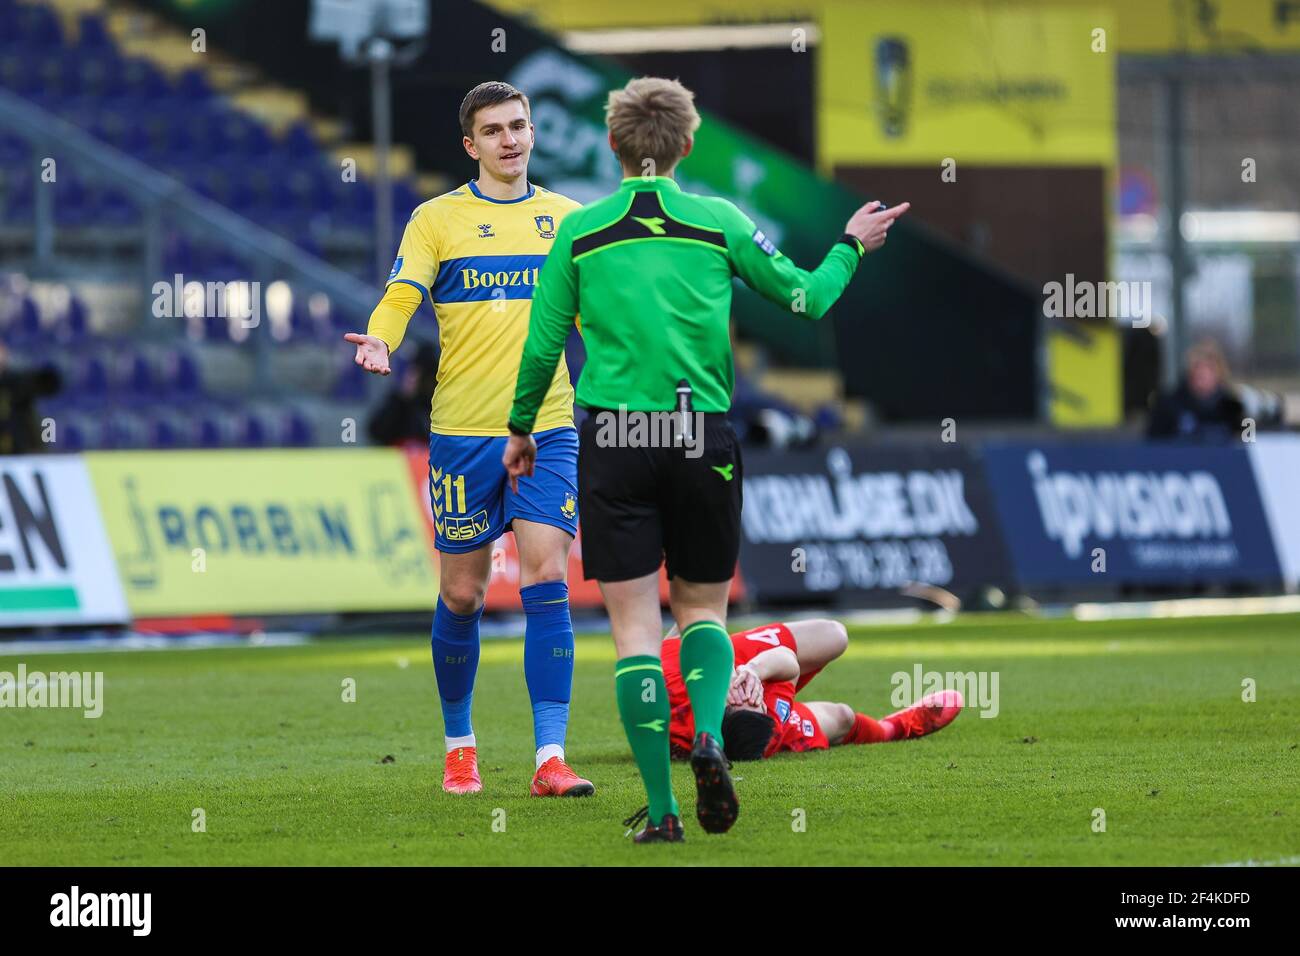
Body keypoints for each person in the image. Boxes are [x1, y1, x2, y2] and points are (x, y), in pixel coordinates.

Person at [503, 76, 909, 842]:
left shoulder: (580, 232)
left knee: (633, 630)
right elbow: (806, 300)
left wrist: (522, 428)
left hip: (616, 440)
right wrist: (852, 243)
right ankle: (716, 739)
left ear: (615, 146)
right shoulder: (718, 220)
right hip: (699, 437)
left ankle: (661, 813)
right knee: (702, 614)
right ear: (687, 146)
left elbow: (542, 345)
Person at [345, 81, 594, 798]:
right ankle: (461, 746)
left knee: (549, 577)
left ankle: (550, 758)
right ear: (470, 144)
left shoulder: (571, 221)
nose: (510, 140)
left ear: (533, 133)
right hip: (460, 435)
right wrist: (383, 340)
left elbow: (596, 319)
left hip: (547, 427)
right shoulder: (437, 219)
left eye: (519, 126)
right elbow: (402, 294)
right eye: (494, 131)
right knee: (462, 594)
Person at [662, 619, 962, 763]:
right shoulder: (770, 720)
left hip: (728, 660)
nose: (751, 694)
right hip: (757, 695)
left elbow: (688, 621)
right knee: (842, 717)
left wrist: (741, 669)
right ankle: (898, 728)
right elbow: (788, 665)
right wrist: (755, 674)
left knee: (834, 636)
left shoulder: (672, 682)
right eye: (756, 702)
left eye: (746, 698)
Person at [1147, 339, 1246, 442]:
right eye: (1197, 367)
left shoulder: (1232, 408)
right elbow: (1152, 444)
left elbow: (1245, 443)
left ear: (1219, 372)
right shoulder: (1169, 405)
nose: (1202, 373)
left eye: (1209, 368)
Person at [366, 342, 440, 447]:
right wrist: (404, 397)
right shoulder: (401, 403)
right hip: (403, 459)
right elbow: (376, 432)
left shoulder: (443, 404)